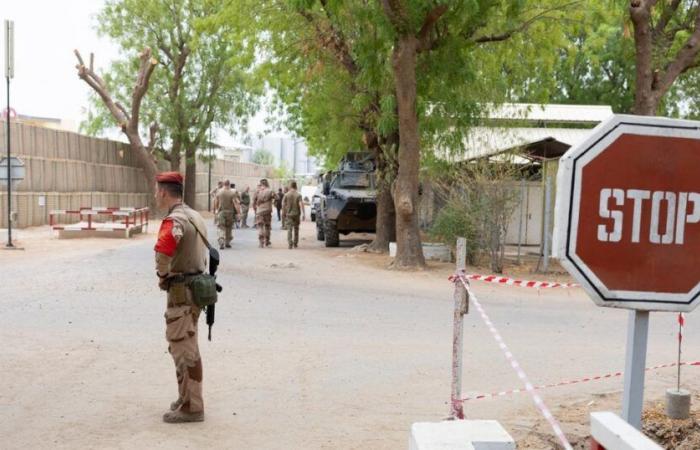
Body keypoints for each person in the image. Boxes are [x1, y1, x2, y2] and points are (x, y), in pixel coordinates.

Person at [153, 171, 207, 423]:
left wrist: (162, 275)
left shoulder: (174, 220)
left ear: (163, 192)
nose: (156, 195)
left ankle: (192, 407)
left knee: (184, 350)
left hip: (181, 294)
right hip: (195, 292)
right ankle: (185, 397)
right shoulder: (195, 216)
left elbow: (163, 252)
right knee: (185, 347)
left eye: (157, 191)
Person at [213, 180, 240, 250]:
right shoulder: (232, 192)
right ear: (229, 184)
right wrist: (238, 213)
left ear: (224, 184)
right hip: (230, 212)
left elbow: (216, 201)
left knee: (221, 227)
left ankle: (221, 239)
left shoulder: (219, 192)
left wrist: (216, 210)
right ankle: (227, 242)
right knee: (229, 227)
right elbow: (235, 203)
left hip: (221, 212)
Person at [281, 181, 305, 249]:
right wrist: (303, 214)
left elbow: (283, 205)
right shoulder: (298, 195)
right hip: (296, 214)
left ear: (290, 186)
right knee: (296, 229)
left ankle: (290, 244)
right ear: (296, 186)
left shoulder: (286, 195)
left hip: (289, 214)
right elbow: (301, 204)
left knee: (289, 229)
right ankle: (295, 243)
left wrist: (284, 213)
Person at [254, 179, 274, 247]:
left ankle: (261, 242)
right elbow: (277, 197)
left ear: (261, 184)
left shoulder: (258, 191)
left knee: (260, 226)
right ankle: (267, 241)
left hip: (259, 211)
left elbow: (254, 201)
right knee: (267, 226)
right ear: (267, 183)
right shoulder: (270, 190)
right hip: (268, 210)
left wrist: (255, 209)